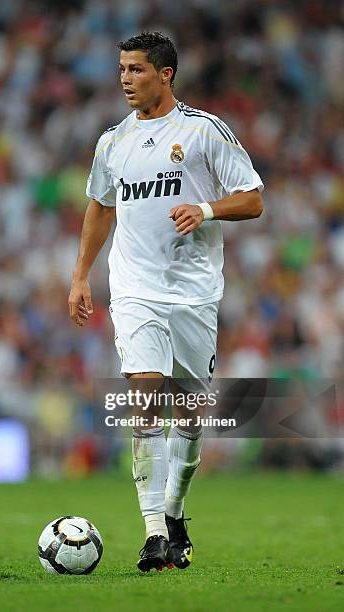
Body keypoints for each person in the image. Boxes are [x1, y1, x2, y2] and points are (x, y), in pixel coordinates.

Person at [68, 31, 264, 572]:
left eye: (135, 69)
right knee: (145, 393)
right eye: (122, 69)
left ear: (165, 73)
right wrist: (81, 275)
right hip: (134, 288)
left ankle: (175, 512)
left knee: (193, 415)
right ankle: (154, 531)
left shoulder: (203, 132)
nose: (125, 79)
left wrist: (204, 210)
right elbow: (100, 207)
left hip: (196, 293)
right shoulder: (112, 142)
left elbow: (253, 199)